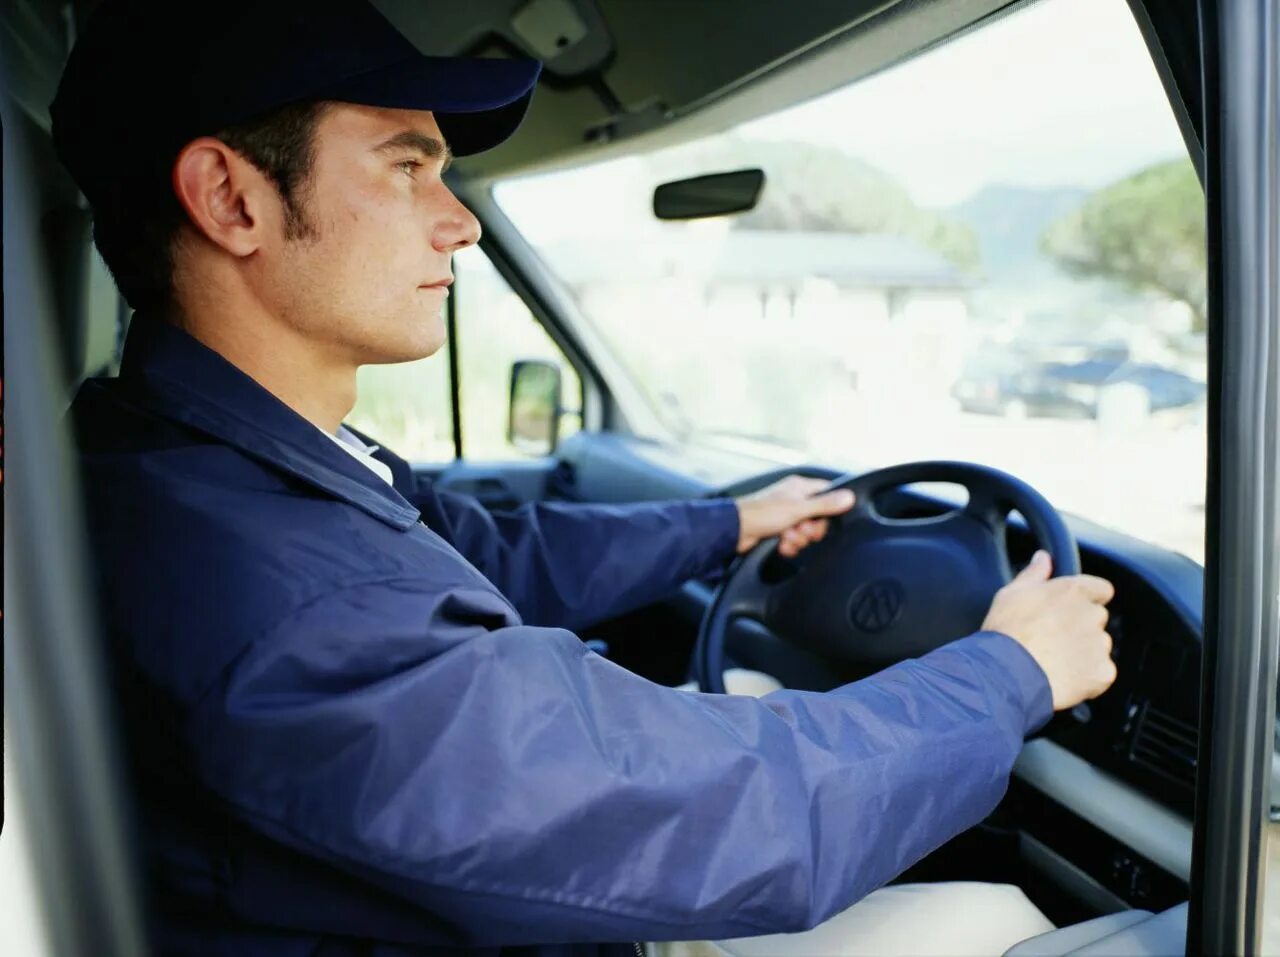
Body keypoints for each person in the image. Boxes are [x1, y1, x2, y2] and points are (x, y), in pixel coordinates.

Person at [51, 1, 1117, 954]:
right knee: (1017, 921)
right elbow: (720, 820)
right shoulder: (268, 589)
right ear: (231, 202)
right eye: (405, 165)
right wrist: (1007, 673)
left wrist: (730, 521)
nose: (457, 218)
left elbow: (490, 554)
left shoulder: (205, 460)